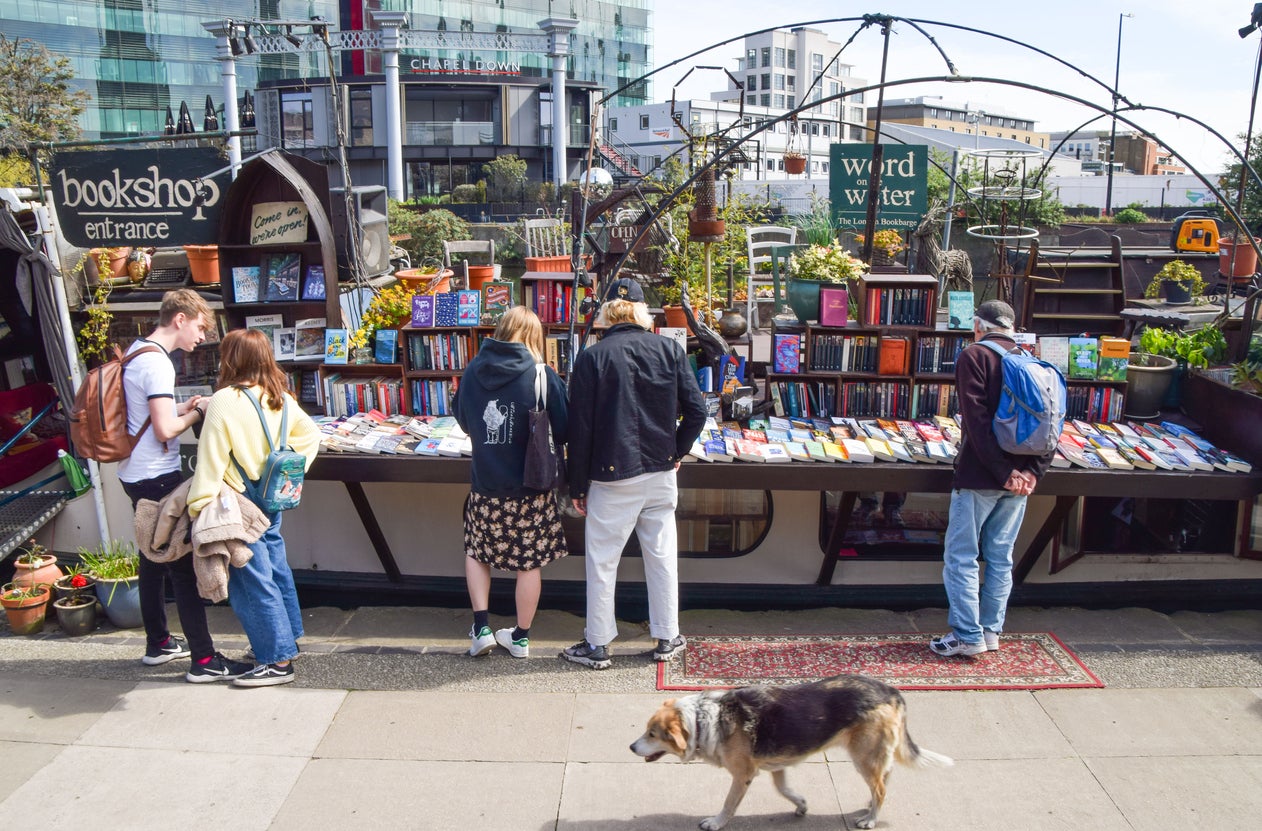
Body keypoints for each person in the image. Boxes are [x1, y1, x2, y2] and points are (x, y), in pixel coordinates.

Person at [562, 278, 706, 670]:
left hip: (612, 475)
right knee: (661, 556)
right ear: (644, 311)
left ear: (607, 311)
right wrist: (677, 450)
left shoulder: (592, 357)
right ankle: (667, 636)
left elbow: (581, 429)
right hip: (660, 470)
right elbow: (697, 411)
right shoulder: (668, 349)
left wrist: (577, 484)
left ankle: (598, 644)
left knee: (603, 559)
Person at [119, 289, 250, 683]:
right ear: (180, 318)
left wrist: (184, 405)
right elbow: (164, 428)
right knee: (182, 566)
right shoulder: (158, 365)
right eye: (200, 325)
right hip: (156, 475)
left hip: (132, 471)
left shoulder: (136, 351)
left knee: (151, 556)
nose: (203, 335)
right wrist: (197, 411)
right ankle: (205, 661)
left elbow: (146, 414)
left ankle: (158, 643)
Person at [188, 329, 321, 686]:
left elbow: (211, 461)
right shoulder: (280, 398)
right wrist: (292, 465)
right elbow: (312, 436)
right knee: (275, 567)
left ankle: (277, 662)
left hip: (240, 501)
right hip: (272, 497)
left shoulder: (223, 401)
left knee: (251, 579)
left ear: (230, 358)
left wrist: (198, 505)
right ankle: (287, 639)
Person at [930, 300, 1052, 657]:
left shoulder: (974, 356)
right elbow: (1052, 423)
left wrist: (1002, 471)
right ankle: (990, 632)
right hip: (1021, 482)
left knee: (962, 556)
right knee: (1000, 558)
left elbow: (977, 423)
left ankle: (968, 637)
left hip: (980, 476)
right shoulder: (1031, 360)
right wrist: (1032, 472)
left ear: (979, 327)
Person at [453, 306, 569, 658]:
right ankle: (519, 638)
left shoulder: (472, 370)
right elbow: (564, 428)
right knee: (528, 562)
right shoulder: (541, 375)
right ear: (534, 337)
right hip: (529, 487)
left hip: (485, 484)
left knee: (477, 552)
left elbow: (462, 420)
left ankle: (482, 629)